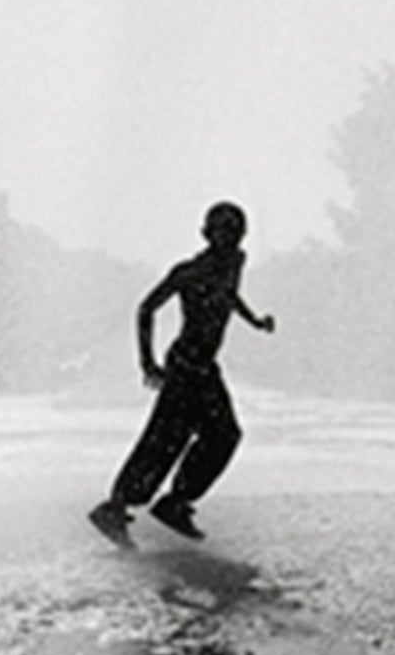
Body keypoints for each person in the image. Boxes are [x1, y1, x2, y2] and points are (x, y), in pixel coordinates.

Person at [89, 201, 275, 547]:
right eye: (222, 231)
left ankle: (176, 502)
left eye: (235, 232)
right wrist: (148, 363)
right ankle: (114, 508)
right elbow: (146, 308)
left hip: (206, 370)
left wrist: (255, 321)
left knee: (224, 435)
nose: (229, 239)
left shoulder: (236, 261)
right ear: (208, 234)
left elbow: (230, 296)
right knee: (164, 440)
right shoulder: (189, 272)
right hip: (184, 369)